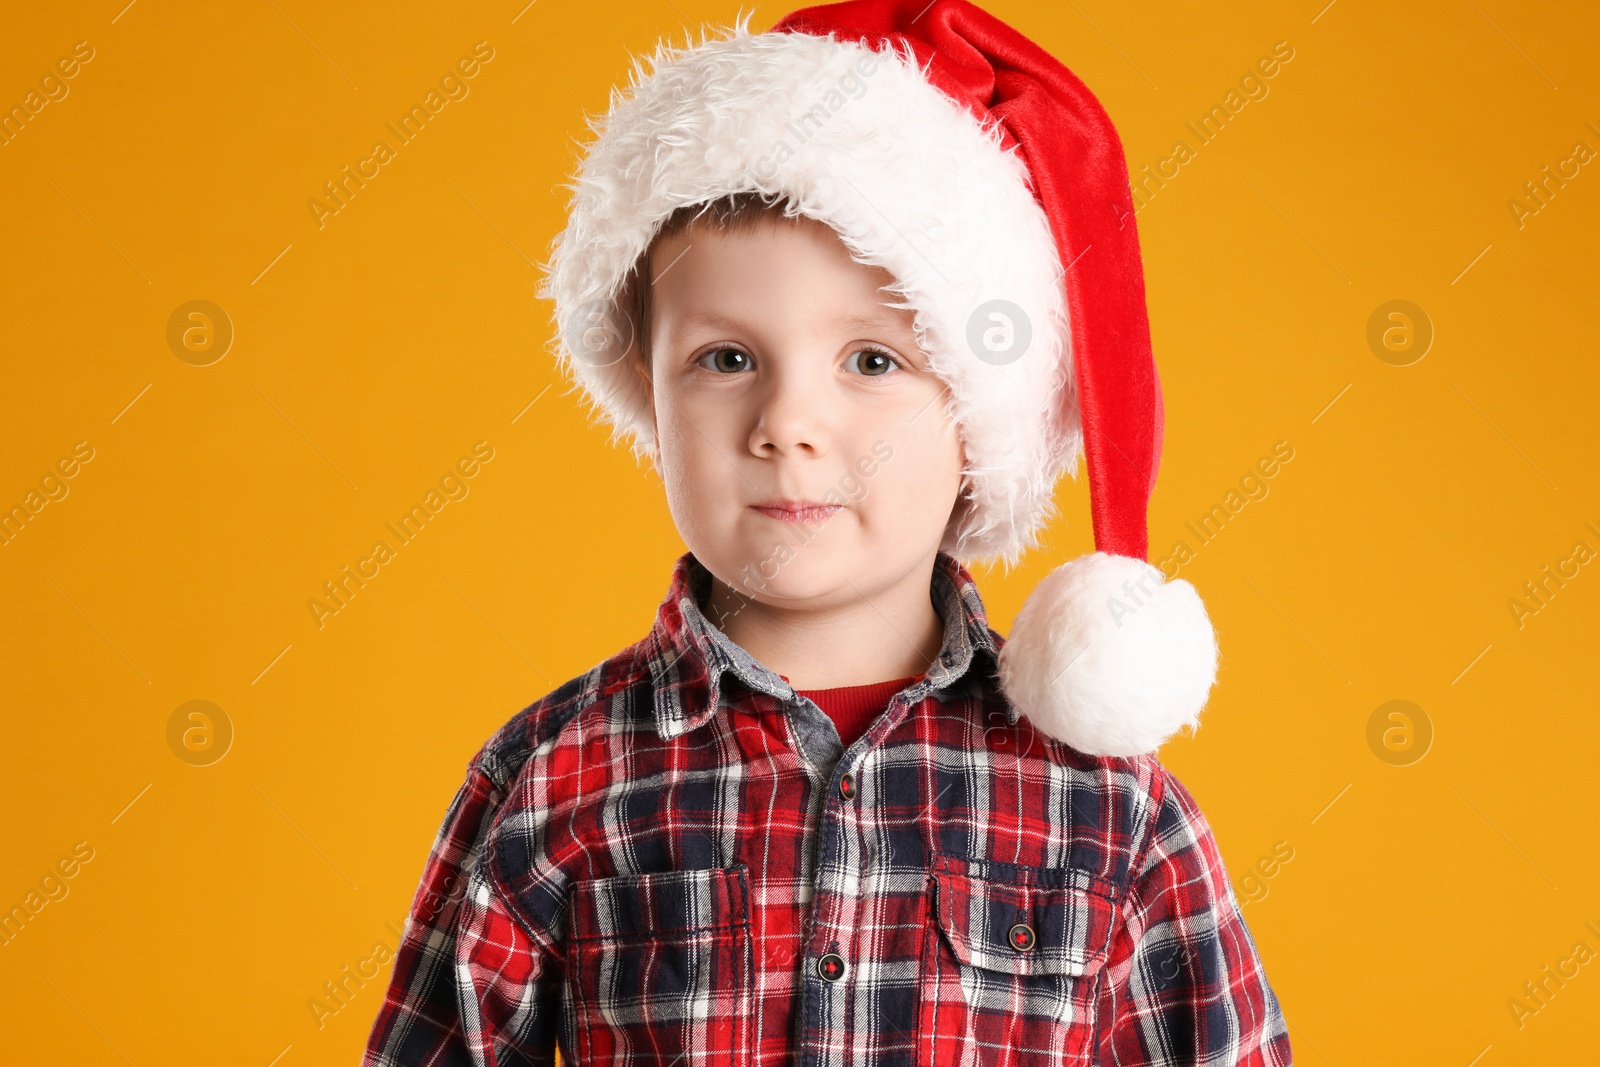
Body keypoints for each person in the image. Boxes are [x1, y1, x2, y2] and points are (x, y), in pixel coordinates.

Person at [362, 1, 1292, 1064]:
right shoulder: (550, 775)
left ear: (980, 416)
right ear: (647, 396)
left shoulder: (1112, 811)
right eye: (725, 358)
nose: (787, 424)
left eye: (872, 360)